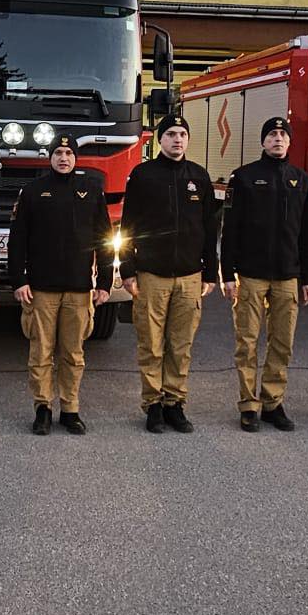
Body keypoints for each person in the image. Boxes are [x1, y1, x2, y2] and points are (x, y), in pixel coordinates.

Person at [119, 114, 221, 433]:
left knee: (180, 345)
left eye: (182, 134)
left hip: (190, 276)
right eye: (171, 134)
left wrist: (210, 273)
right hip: (151, 275)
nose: (178, 139)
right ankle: (153, 405)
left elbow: (210, 229)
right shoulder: (143, 175)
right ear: (159, 139)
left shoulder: (199, 177)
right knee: (151, 345)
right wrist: (127, 269)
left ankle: (174, 403)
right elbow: (128, 226)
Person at [6, 136, 113, 436]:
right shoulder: (32, 192)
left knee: (73, 354)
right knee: (40, 353)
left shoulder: (92, 191)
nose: (63, 158)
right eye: (58, 153)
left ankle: (70, 409)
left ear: (76, 158)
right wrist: (19, 280)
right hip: (41, 289)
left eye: (68, 153)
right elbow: (17, 240)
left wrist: (104, 282)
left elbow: (104, 240)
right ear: (49, 157)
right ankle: (43, 407)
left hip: (79, 289)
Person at [221, 115, 308, 431]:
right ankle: (249, 404)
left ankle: (273, 402)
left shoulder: (301, 180)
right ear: (263, 141)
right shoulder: (244, 177)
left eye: (283, 134)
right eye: (272, 134)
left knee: (282, 343)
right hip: (251, 274)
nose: (278, 139)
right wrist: (227, 274)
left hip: (287, 276)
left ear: (290, 141)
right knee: (247, 342)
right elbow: (230, 229)